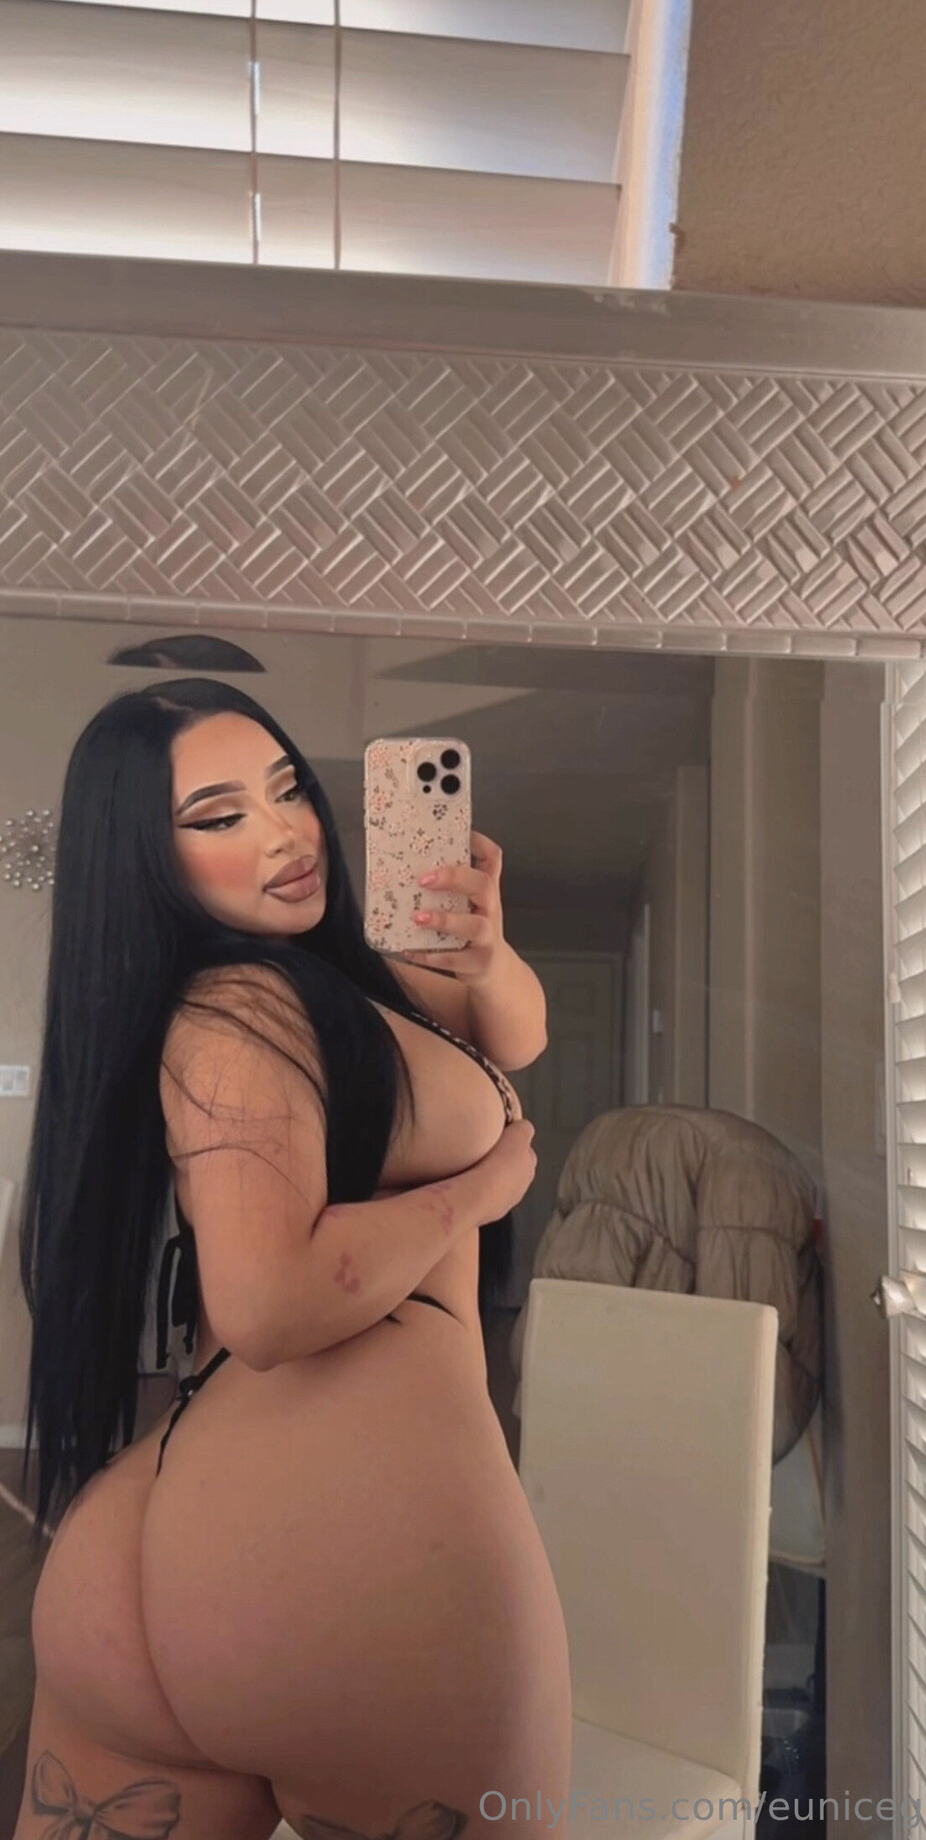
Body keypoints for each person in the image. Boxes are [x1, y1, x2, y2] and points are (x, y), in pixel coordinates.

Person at [14, 677, 573, 1839]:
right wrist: (476, 1194)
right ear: (149, 860)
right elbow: (267, 1302)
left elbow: (513, 1033)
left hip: (165, 1555)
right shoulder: (240, 1013)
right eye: (220, 817)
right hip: (347, 1571)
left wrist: (486, 952)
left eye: (287, 790)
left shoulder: (345, 990)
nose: (282, 834)